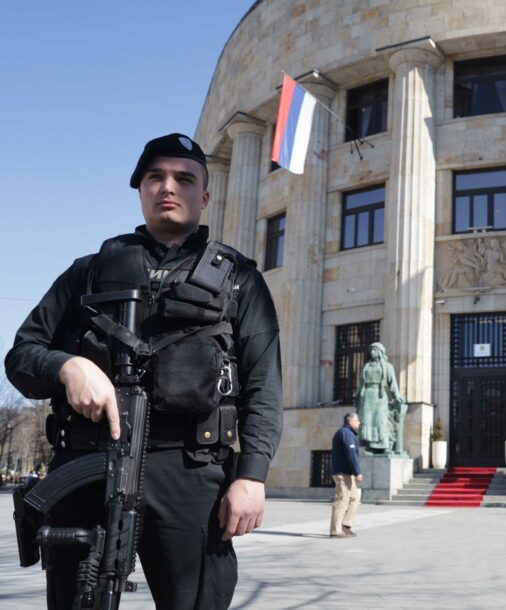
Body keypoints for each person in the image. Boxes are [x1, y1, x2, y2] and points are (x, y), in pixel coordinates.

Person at [4, 133, 283, 609]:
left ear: (204, 196)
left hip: (190, 473)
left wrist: (252, 476)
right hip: (86, 462)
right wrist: (67, 366)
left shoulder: (240, 280)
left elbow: (264, 386)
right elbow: (21, 356)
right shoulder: (89, 272)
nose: (168, 187)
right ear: (140, 190)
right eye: (155, 177)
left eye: (184, 179)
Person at [355, 342, 405, 454]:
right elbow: (360, 383)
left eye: (374, 350)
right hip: (367, 397)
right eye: (371, 350)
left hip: (380, 396)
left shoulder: (387, 366)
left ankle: (384, 446)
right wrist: (357, 396)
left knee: (380, 421)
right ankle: (371, 446)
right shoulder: (366, 366)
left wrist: (397, 395)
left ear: (380, 352)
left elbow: (393, 383)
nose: (372, 352)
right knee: (368, 421)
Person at [330, 412, 363, 538]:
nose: (359, 423)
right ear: (350, 421)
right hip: (342, 473)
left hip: (348, 473)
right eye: (357, 420)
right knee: (342, 500)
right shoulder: (346, 434)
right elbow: (351, 454)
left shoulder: (349, 434)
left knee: (354, 498)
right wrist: (357, 472)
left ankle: (346, 525)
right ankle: (335, 531)